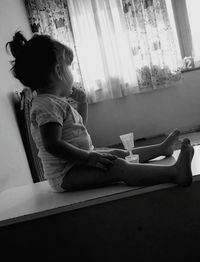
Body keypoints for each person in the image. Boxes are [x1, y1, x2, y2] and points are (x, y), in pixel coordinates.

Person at [6, 31, 194, 192]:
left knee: (116, 153)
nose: (72, 74)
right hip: (66, 174)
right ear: (58, 71)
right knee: (118, 166)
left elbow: (77, 131)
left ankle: (161, 149)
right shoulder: (46, 105)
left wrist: (83, 105)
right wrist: (88, 158)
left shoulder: (54, 102)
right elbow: (53, 145)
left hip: (77, 163)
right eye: (69, 68)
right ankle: (174, 173)